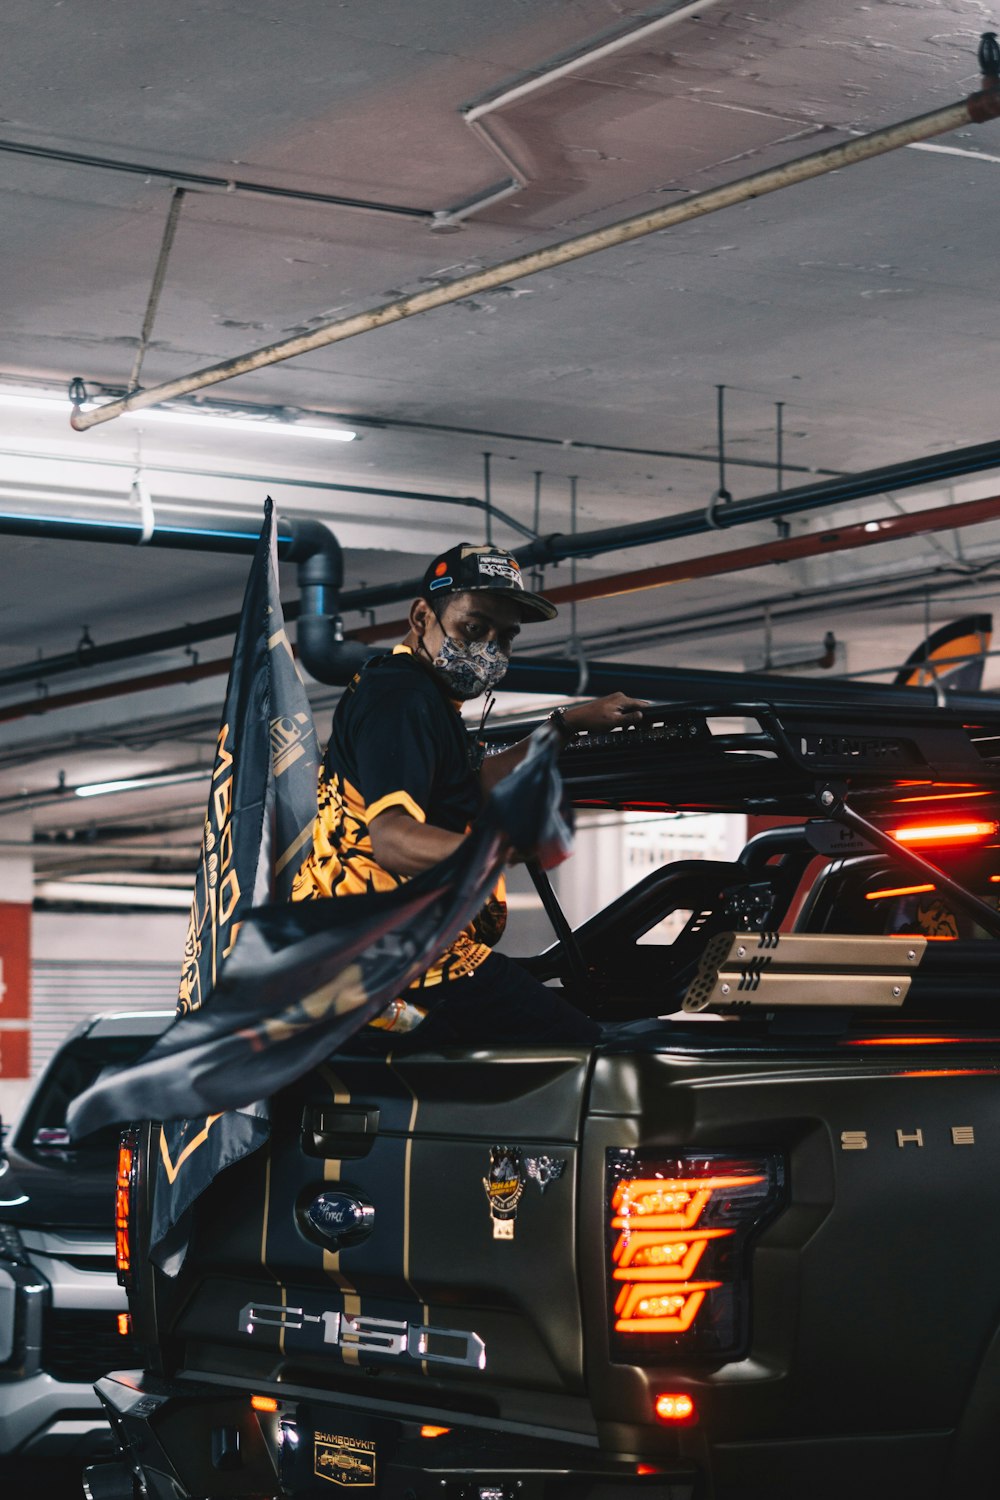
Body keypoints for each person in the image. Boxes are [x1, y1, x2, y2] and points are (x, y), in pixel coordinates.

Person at [292, 541, 645, 1046]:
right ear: (421, 616)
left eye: (505, 637)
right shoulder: (402, 698)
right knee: (591, 1055)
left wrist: (565, 725)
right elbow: (392, 838)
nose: (488, 650)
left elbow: (470, 787)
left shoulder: (423, 699)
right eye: (473, 628)